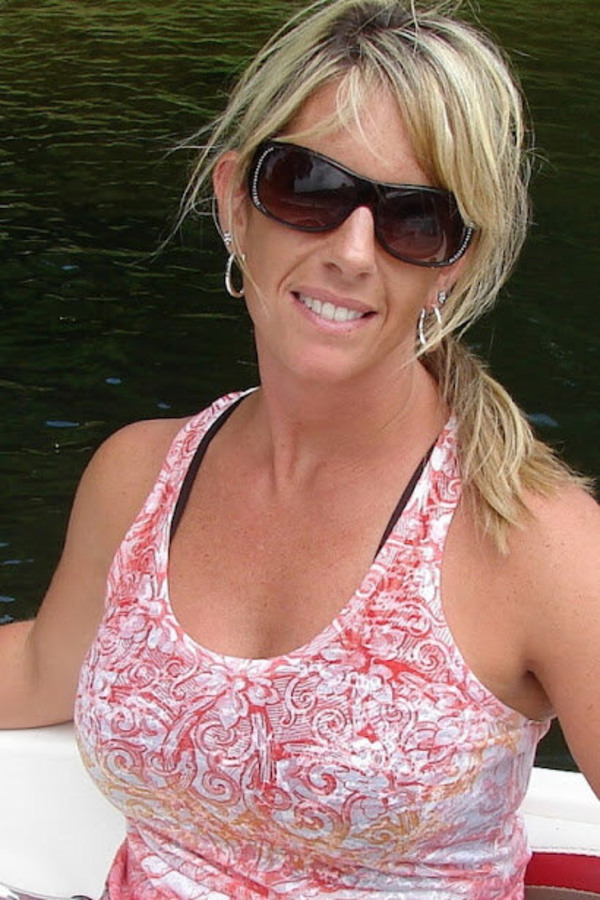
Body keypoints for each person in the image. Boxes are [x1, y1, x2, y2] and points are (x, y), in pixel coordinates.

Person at [1, 0, 599, 897]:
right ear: (234, 200)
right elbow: (43, 667)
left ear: (455, 264)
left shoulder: (538, 543)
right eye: (309, 188)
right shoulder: (139, 476)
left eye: (416, 220)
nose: (353, 251)